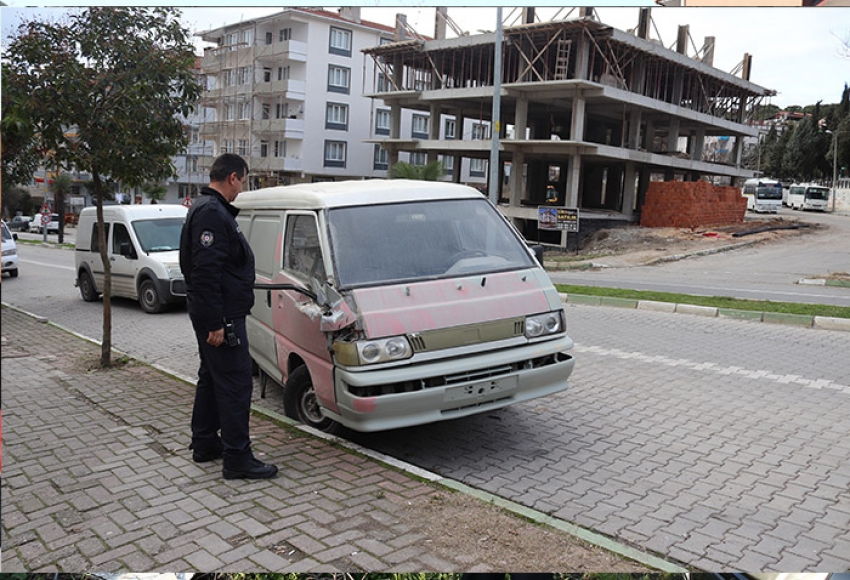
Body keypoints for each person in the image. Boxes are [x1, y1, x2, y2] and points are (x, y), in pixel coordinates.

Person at [179, 153, 278, 480]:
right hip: (222, 317)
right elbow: (205, 273)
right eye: (244, 181)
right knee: (236, 385)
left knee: (211, 377)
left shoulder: (207, 209)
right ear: (232, 177)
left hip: (217, 313)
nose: (242, 189)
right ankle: (238, 458)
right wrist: (216, 323)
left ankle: (205, 442)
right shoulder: (211, 213)